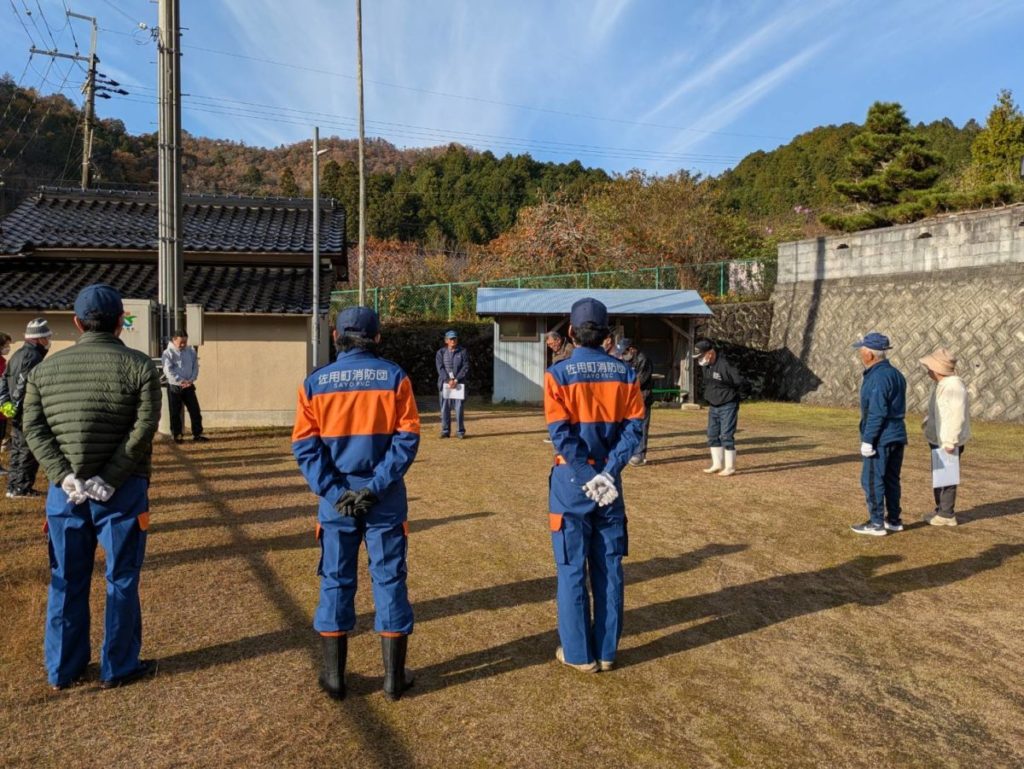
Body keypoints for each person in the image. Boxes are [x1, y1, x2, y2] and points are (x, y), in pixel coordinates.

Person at [22, 284, 162, 689]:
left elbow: (33, 428)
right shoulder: (139, 366)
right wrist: (111, 476)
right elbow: (144, 429)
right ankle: (118, 666)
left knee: (66, 578)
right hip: (123, 492)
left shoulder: (44, 371)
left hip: (64, 495)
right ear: (121, 322)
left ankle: (63, 668)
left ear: (77, 323)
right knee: (121, 577)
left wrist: (62, 473)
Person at [292, 306, 421, 701]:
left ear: (336, 336)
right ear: (377, 337)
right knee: (389, 579)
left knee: (335, 580)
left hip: (337, 502)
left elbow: (305, 445)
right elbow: (407, 438)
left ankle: (334, 680)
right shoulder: (396, 379)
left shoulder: (314, 384)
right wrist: (375, 486)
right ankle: (393, 680)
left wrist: (334, 493)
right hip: (383, 500)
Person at [544, 298, 644, 673]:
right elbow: (634, 427)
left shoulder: (558, 374)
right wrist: (607, 472)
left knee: (571, 569)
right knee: (609, 565)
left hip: (571, 483)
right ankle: (606, 651)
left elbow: (560, 433)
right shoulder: (626, 373)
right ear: (607, 335)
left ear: (571, 331)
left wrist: (587, 476)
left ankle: (578, 654)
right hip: (609, 481)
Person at [850, 332, 908, 536]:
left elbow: (877, 411)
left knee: (872, 479)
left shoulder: (878, 377)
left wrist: (868, 440)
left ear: (870, 355)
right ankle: (893, 519)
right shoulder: (896, 374)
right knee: (892, 479)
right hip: (897, 434)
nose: (860, 354)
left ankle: (876, 522)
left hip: (882, 436)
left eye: (862, 350)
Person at [1, 318, 53, 498]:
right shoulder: (33, 357)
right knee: (27, 450)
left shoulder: (16, 355)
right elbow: (23, 384)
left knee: (17, 449)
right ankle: (21, 488)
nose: (49, 341)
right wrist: (15, 404)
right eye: (47, 337)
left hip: (16, 410)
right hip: (27, 410)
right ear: (38, 339)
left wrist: (5, 403)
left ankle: (13, 487)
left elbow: (4, 380)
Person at [920, 347, 971, 526]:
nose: (928, 371)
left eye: (930, 367)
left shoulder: (954, 386)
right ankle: (941, 510)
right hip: (939, 437)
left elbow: (957, 415)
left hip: (948, 440)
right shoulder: (942, 385)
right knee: (940, 475)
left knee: (947, 476)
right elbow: (940, 410)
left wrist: (950, 441)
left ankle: (947, 514)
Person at [694, 339, 747, 477]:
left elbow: (740, 382)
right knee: (712, 435)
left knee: (726, 435)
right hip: (713, 405)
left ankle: (730, 467)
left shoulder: (726, 365)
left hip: (728, 404)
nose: (700, 360)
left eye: (701, 356)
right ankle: (717, 464)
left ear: (710, 353)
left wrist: (737, 397)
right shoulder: (706, 366)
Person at [161, 330, 208, 443]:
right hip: (174, 387)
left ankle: (197, 434)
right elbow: (168, 370)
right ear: (174, 340)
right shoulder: (167, 353)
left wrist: (191, 380)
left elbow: (195, 367)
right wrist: (180, 380)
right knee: (175, 412)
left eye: (185, 342)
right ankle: (177, 436)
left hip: (189, 386)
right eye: (181, 342)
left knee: (195, 410)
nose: (183, 345)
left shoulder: (191, 351)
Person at [617, 338, 654, 466]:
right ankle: (631, 450)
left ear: (632, 349)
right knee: (629, 425)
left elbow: (639, 381)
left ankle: (640, 454)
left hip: (642, 397)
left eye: (624, 352)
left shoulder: (643, 360)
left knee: (642, 425)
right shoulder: (626, 360)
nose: (623, 355)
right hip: (629, 398)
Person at [435, 329, 469, 439]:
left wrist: (457, 379)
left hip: (458, 385)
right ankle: (445, 431)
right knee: (444, 408)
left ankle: (460, 432)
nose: (453, 340)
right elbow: (440, 368)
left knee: (459, 408)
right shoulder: (440, 352)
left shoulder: (463, 352)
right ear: (446, 340)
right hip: (445, 385)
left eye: (454, 338)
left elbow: (465, 367)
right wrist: (447, 380)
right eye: (450, 339)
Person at [0, 331, 11, 475]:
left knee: (1, 435)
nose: (9, 347)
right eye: (6, 345)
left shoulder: (3, 361)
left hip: (2, 408)